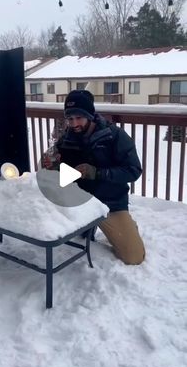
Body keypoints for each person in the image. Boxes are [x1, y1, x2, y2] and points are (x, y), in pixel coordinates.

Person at [43, 89, 145, 265]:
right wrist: (53, 166)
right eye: (70, 118)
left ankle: (124, 226)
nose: (74, 124)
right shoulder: (67, 139)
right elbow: (65, 173)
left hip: (110, 203)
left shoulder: (115, 136)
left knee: (133, 257)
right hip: (79, 202)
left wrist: (97, 172)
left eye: (79, 117)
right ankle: (89, 226)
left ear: (90, 115)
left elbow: (133, 170)